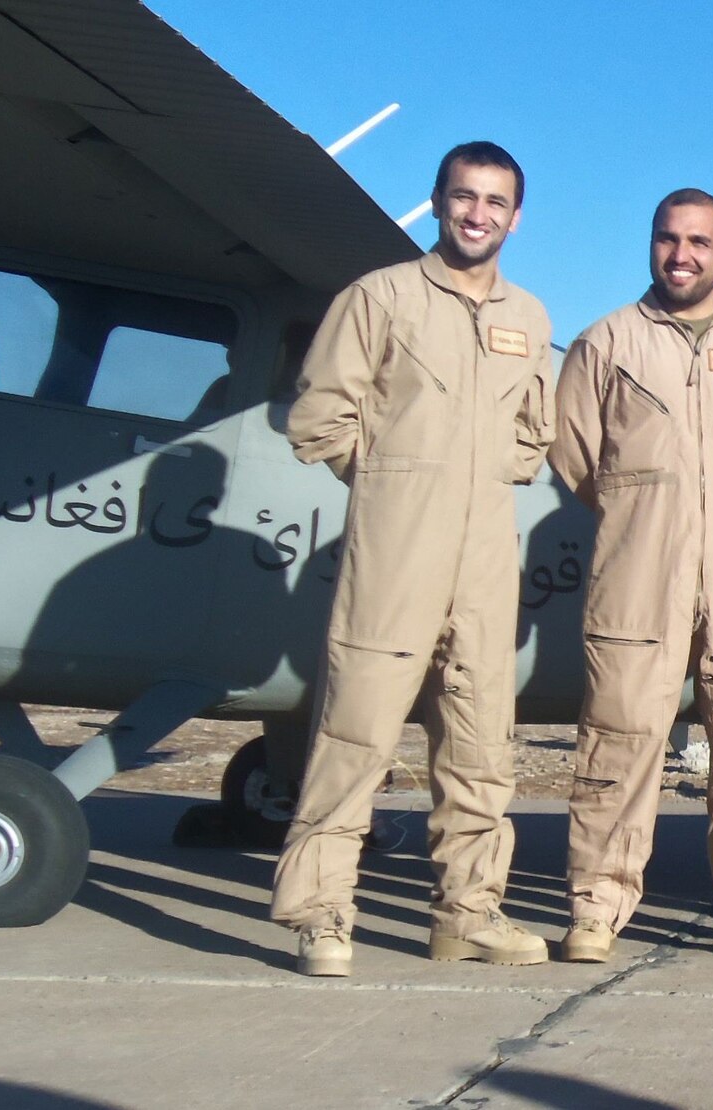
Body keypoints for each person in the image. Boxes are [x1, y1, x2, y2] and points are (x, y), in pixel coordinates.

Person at [273, 142, 555, 976]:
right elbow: (318, 416)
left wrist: (476, 476)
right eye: (464, 197)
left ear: (516, 217)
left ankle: (469, 912)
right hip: (395, 547)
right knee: (356, 731)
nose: (478, 214)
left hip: (485, 553)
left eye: (495, 202)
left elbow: (533, 432)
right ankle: (322, 914)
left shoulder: (530, 317)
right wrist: (392, 478)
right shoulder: (379, 297)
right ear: (437, 202)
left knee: (479, 741)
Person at [547, 189, 713, 964]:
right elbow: (575, 455)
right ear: (652, 245)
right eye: (668, 239)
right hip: (638, 568)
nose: (681, 255)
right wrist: (644, 510)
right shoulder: (606, 342)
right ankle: (597, 908)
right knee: (619, 741)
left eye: (699, 242)